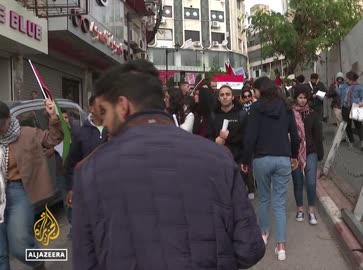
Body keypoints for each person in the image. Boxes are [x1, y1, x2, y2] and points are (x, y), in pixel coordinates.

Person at [72, 60, 265, 270]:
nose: (104, 124)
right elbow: (249, 249)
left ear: (123, 106)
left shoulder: (90, 171)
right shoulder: (219, 158)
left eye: (104, 113)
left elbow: (86, 262)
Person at [241, 77, 300, 261]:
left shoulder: (256, 108)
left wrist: (245, 159)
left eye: (255, 90)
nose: (254, 93)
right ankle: (281, 246)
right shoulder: (286, 106)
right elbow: (295, 136)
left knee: (264, 199)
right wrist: (294, 156)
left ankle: (263, 234)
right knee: (280, 203)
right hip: (283, 158)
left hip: (261, 159)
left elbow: (250, 136)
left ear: (260, 90)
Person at [0, 99, 63, 270]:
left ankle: (38, 262)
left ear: (8, 119)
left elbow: (54, 138)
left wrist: (53, 118)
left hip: (18, 191)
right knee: (0, 253)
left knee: (20, 244)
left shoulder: (27, 134)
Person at [65, 95, 108, 237]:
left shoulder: (114, 129)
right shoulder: (81, 133)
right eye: (99, 105)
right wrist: (71, 188)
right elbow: (72, 162)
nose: (103, 108)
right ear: (91, 109)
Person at [209, 85, 254, 199]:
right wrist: (216, 140)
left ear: (233, 97)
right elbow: (207, 137)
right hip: (219, 161)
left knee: (238, 195)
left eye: (227, 94)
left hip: (238, 161)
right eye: (222, 95)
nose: (225, 97)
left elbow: (247, 138)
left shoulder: (242, 114)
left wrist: (246, 162)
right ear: (218, 98)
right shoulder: (214, 115)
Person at [291, 85, 324, 225]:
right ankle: (300, 208)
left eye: (305, 97)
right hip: (294, 153)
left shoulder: (312, 113)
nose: (303, 100)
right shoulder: (289, 114)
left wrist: (320, 154)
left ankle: (311, 209)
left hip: (310, 152)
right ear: (295, 98)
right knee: (297, 182)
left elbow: (318, 135)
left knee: (311, 182)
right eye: (300, 97)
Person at [337, 71, 363, 150]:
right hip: (345, 107)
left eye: (347, 78)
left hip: (355, 107)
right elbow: (339, 93)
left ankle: (362, 141)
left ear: (351, 79)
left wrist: (362, 102)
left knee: (358, 125)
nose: (346, 79)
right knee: (347, 125)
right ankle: (351, 141)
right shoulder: (344, 86)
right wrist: (338, 87)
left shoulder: (359, 87)